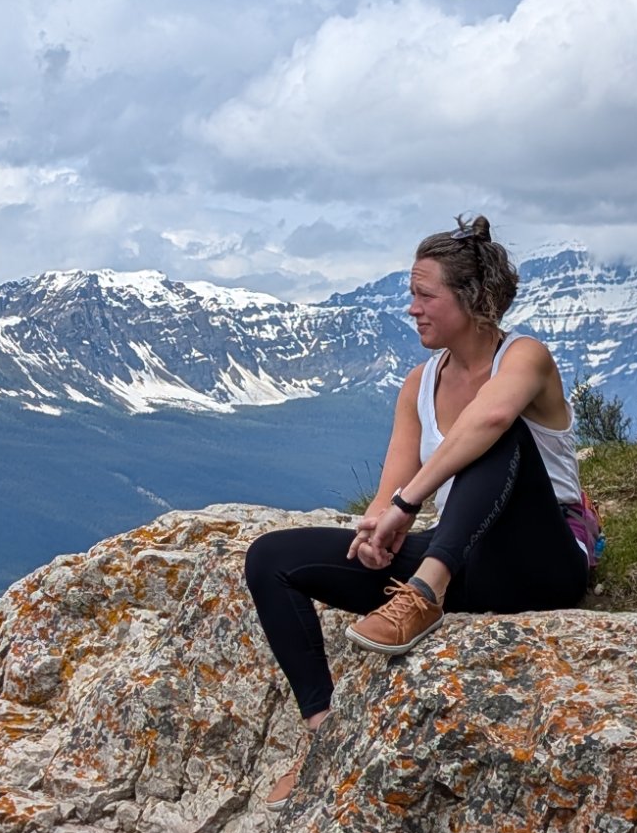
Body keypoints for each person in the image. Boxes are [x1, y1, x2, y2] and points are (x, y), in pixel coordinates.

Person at [244, 218, 591, 801]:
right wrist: (379, 527)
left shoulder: (524, 357)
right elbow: (389, 490)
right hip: (468, 560)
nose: (412, 308)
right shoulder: (419, 383)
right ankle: (325, 737)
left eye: (425, 295)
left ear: (474, 300)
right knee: (271, 559)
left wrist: (410, 505)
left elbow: (491, 422)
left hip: (541, 558)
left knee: (491, 428)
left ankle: (425, 595)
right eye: (413, 295)